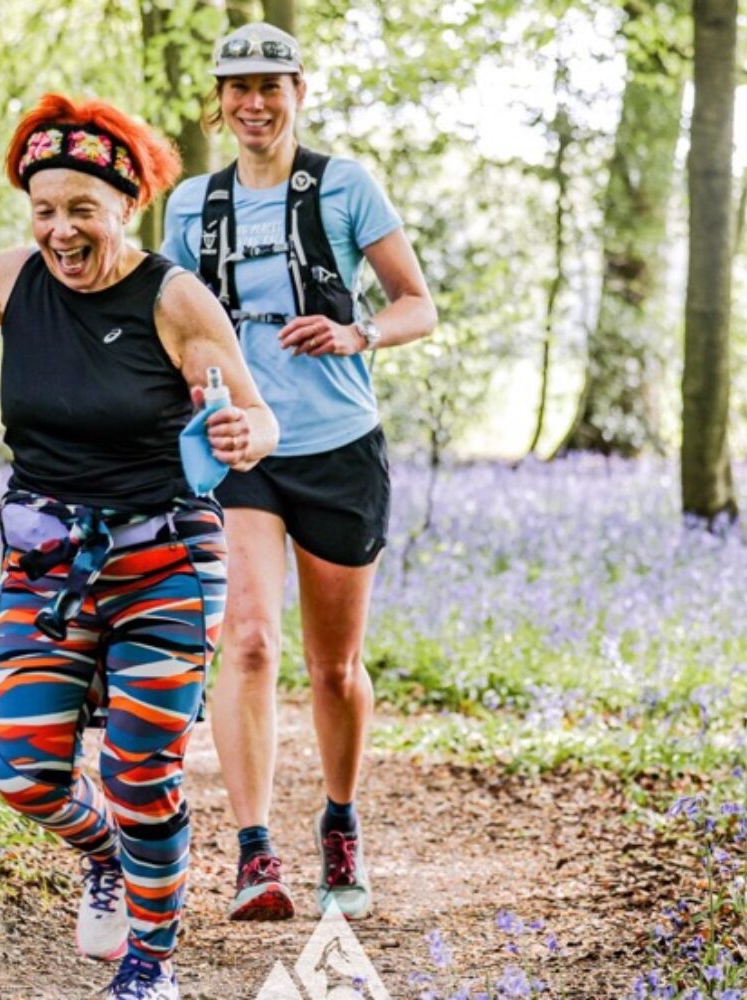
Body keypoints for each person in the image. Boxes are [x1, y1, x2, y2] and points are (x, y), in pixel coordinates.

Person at [0, 93, 278, 1000]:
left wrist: (244, 436)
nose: (61, 229)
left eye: (82, 209)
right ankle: (108, 858)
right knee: (23, 769)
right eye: (44, 209)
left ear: (126, 207)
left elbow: (256, 414)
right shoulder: (13, 280)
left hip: (164, 558)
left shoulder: (172, 297)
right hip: (46, 564)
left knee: (139, 769)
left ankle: (149, 966)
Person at [160, 22, 437, 923]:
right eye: (237, 88)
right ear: (219, 100)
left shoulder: (346, 185)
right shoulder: (190, 208)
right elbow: (169, 326)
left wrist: (358, 332)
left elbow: (416, 304)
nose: (253, 103)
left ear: (297, 91)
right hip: (239, 447)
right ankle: (253, 853)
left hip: (337, 446)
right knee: (244, 638)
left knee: (335, 666)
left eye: (269, 86)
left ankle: (340, 824)